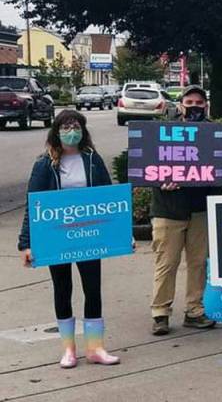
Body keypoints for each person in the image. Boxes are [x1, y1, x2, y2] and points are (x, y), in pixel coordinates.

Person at [17, 110, 121, 368]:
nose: (70, 130)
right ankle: (68, 350)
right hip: (57, 239)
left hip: (90, 236)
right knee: (62, 290)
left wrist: (121, 234)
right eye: (65, 126)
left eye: (75, 125)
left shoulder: (92, 160)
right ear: (56, 131)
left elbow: (110, 199)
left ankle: (95, 347)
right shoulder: (44, 164)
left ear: (83, 130)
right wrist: (26, 243)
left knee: (92, 289)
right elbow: (34, 205)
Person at [149, 85, 222, 336]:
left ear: (206, 105)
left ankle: (194, 310)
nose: (194, 106)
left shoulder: (215, 134)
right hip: (168, 209)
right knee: (166, 262)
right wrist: (160, 181)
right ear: (180, 105)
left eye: (199, 102)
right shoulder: (162, 132)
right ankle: (160, 313)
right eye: (189, 101)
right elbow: (147, 168)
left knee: (198, 262)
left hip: (201, 208)